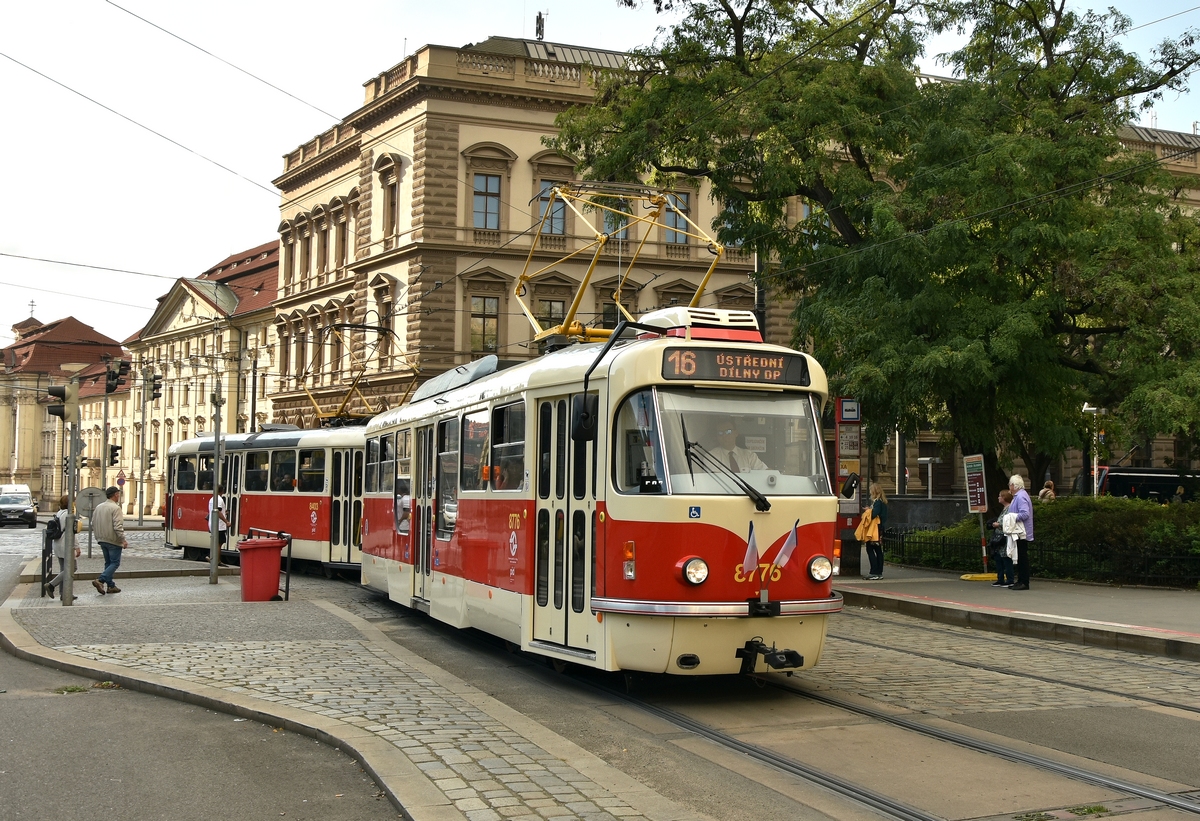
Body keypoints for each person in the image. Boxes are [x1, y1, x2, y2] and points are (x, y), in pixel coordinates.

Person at [92, 486, 128, 595]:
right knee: (114, 563)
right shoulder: (116, 508)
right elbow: (118, 526)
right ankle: (101, 580)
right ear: (115, 495)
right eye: (118, 494)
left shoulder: (99, 507)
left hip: (101, 539)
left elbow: (92, 523)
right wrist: (123, 539)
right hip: (113, 540)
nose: (119, 496)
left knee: (108, 563)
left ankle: (111, 586)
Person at [44, 495, 79, 600]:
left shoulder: (59, 513)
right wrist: (77, 547)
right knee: (72, 568)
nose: (75, 504)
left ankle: (64, 594)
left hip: (57, 544)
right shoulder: (69, 515)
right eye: (74, 502)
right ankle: (51, 584)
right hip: (66, 545)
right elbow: (72, 533)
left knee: (64, 569)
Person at [1008, 475, 1034, 590]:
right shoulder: (1018, 496)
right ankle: (1020, 581)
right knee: (1019, 557)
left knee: (1022, 557)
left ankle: (1024, 582)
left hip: (1021, 532)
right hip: (1018, 532)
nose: (1009, 487)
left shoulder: (1021, 497)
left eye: (1010, 484)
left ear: (1014, 485)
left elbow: (1025, 513)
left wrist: (1012, 518)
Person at [988, 490, 1016, 587]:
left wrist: (998, 524)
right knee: (998, 558)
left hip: (1005, 536)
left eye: (1000, 496)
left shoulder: (1010, 509)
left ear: (1005, 498)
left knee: (1006, 558)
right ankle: (1000, 578)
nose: (998, 498)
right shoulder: (1004, 508)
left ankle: (1010, 579)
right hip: (998, 536)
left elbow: (1010, 522)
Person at [862, 482, 889, 579]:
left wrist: (868, 510)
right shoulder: (883, 501)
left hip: (875, 530)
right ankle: (878, 572)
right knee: (878, 550)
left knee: (870, 549)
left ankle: (874, 572)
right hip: (879, 528)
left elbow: (874, 514)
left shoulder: (877, 502)